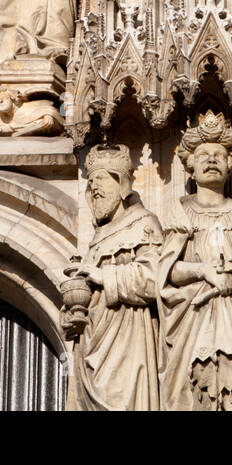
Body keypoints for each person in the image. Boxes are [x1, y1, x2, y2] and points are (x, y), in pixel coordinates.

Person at [157, 110, 232, 410]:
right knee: (195, 388)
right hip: (194, 314)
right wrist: (205, 270)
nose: (211, 160)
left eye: (219, 156)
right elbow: (169, 272)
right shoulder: (181, 212)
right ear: (190, 167)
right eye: (203, 155)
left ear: (230, 165)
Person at [63, 144, 163, 411]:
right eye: (91, 185)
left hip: (129, 338)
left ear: (122, 186)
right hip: (91, 343)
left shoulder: (143, 223)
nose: (95, 190)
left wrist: (103, 275)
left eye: (102, 181)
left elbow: (154, 279)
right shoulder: (96, 240)